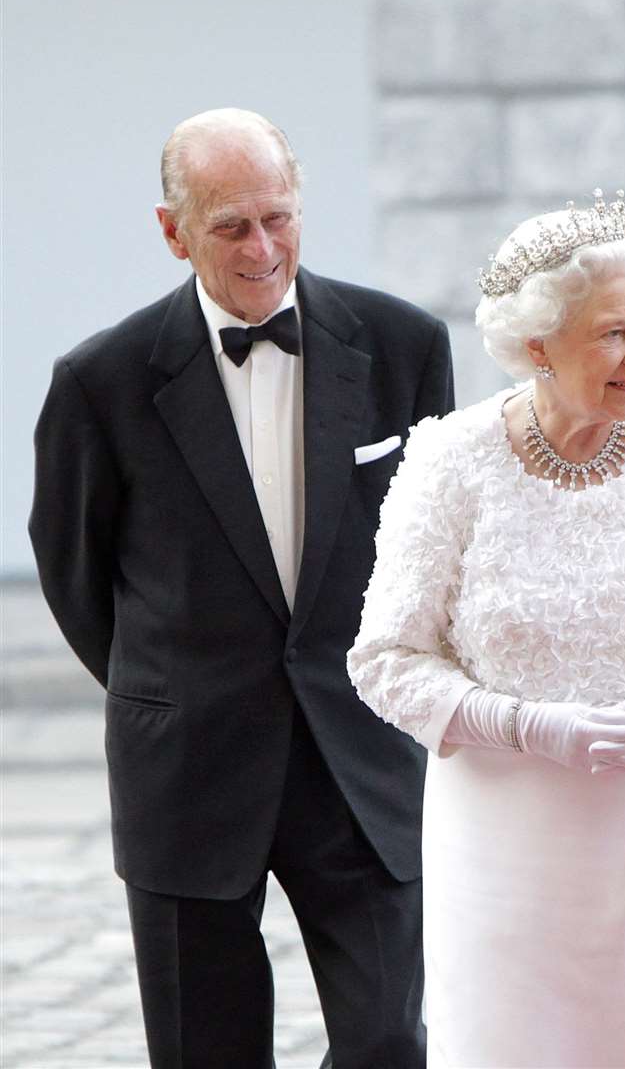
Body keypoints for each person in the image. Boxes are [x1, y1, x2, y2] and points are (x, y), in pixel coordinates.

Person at [28, 108, 453, 1065]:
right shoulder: (100, 381)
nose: (263, 248)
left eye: (279, 217)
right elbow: (73, 570)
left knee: (390, 1040)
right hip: (188, 767)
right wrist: (175, 684)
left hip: (360, 755)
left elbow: (434, 546)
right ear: (173, 231)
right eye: (230, 226)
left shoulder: (404, 346)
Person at [347, 191, 625, 1068]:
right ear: (539, 346)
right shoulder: (451, 462)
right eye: (613, 334)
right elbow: (386, 658)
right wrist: (524, 723)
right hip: (506, 843)